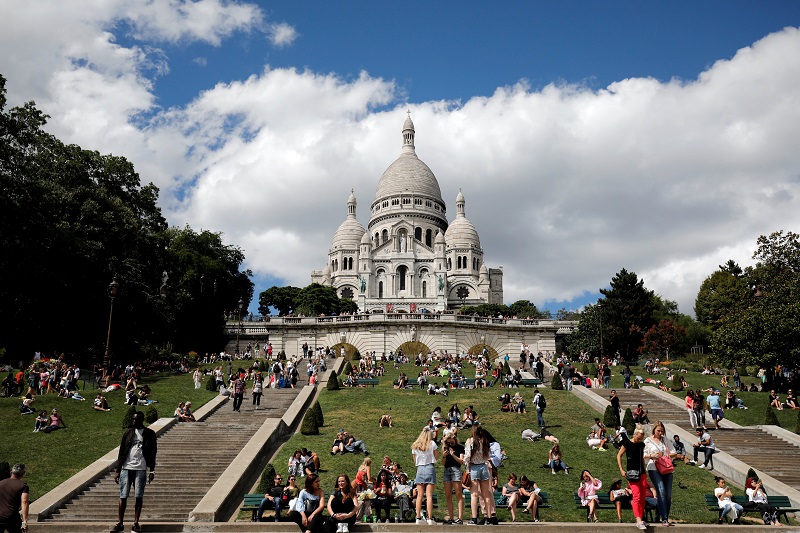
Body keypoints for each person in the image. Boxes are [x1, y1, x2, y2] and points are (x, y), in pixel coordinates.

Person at [112, 411, 157, 533]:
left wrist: (152, 470)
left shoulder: (150, 434)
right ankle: (120, 523)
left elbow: (153, 453)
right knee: (123, 496)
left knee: (138, 496)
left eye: (136, 419)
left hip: (141, 469)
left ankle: (135, 523)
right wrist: (118, 470)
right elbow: (121, 452)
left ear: (142, 420)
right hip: (126, 468)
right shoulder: (128, 433)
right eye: (133, 419)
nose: (134, 421)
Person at [464, 425, 497, 525]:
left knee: (474, 494)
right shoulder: (485, 441)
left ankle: (474, 518)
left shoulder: (471, 441)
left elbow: (468, 456)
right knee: (486, 494)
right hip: (484, 466)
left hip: (474, 467)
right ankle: (489, 518)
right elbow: (488, 454)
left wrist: (466, 463)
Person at [616, 426, 648, 530]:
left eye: (641, 438)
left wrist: (645, 470)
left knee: (643, 497)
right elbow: (619, 455)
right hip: (632, 474)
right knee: (637, 496)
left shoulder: (641, 445)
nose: (639, 440)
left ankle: (641, 518)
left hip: (642, 473)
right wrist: (621, 469)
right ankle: (638, 519)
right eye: (638, 438)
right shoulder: (627, 443)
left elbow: (641, 458)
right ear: (634, 435)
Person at [644, 421, 674, 526]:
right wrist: (652, 455)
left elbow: (674, 452)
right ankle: (664, 518)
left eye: (662, 431)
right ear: (654, 430)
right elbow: (643, 454)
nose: (660, 433)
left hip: (666, 468)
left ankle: (665, 515)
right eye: (658, 431)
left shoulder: (665, 440)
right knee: (661, 490)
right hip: (653, 467)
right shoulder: (647, 441)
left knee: (668, 494)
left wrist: (667, 454)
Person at [411, 428, 438, 525]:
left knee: (419, 495)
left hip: (420, 468)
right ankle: (430, 518)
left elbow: (415, 461)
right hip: (430, 467)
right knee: (429, 495)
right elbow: (436, 457)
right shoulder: (432, 444)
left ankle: (418, 517)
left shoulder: (415, 445)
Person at [440, 433, 465, 525]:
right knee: (448, 495)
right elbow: (443, 463)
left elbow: (461, 461)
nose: (450, 444)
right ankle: (451, 517)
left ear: (455, 440)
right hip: (447, 470)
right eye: (448, 442)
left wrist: (453, 455)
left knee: (458, 494)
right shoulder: (445, 448)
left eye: (452, 442)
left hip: (456, 469)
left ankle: (460, 518)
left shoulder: (460, 448)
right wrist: (444, 456)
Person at [0, 463, 29, 533]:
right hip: (12, 517)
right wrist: (24, 520)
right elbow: (24, 501)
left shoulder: (0, 483)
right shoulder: (23, 486)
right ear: (23, 474)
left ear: (11, 472)